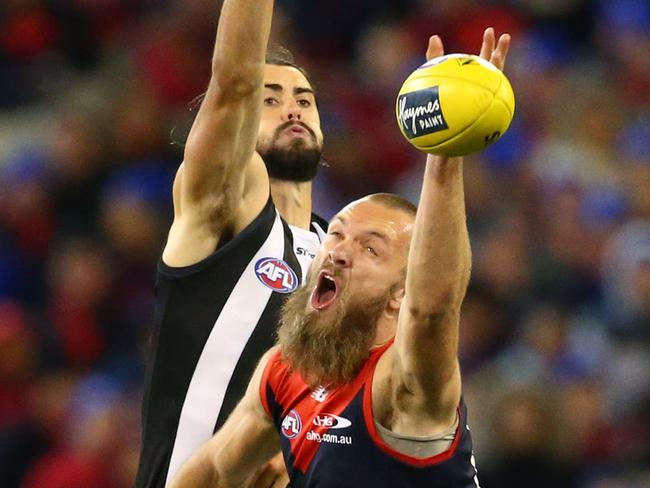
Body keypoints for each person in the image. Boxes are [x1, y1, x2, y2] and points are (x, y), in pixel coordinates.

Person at [167, 29, 511, 488]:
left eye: (371, 248)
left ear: (399, 295)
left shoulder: (404, 384)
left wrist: (444, 157)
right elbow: (212, 470)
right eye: (336, 235)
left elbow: (433, 310)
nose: (341, 252)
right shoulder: (284, 370)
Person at [135, 1, 327, 486]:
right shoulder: (222, 210)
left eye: (305, 99)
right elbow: (232, 83)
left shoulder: (339, 251)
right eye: (271, 99)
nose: (293, 107)